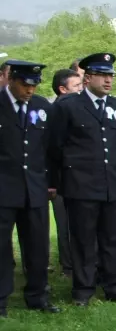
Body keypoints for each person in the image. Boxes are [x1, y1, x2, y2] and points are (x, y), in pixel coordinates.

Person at [46, 52, 116, 306]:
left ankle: (112, 286)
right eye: (103, 75)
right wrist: (58, 179)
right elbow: (55, 146)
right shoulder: (68, 106)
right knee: (84, 239)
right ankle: (83, 289)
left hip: (113, 184)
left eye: (111, 76)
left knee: (113, 238)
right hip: (82, 184)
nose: (109, 81)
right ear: (88, 77)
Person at [0, 61, 60, 317]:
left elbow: (50, 148)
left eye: (34, 85)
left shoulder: (42, 107)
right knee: (2, 248)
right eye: (25, 84)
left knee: (37, 246)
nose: (30, 90)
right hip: (3, 188)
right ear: (11, 80)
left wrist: (51, 181)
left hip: (34, 187)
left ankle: (38, 296)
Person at [49, 69, 82, 277]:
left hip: (81, 179)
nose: (82, 90)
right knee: (64, 224)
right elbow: (53, 148)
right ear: (63, 89)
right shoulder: (55, 112)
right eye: (77, 86)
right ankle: (68, 266)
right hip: (61, 178)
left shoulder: (81, 109)